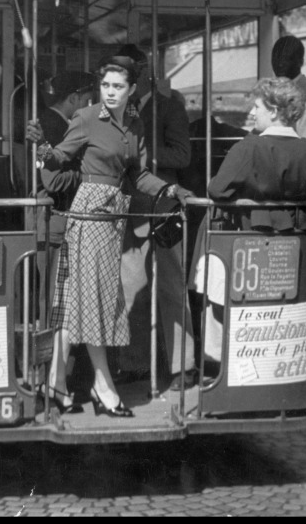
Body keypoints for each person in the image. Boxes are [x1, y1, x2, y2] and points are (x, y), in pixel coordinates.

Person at [26, 56, 194, 418]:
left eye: (118, 86)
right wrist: (41, 149)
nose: (111, 92)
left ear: (132, 88)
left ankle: (55, 383)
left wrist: (170, 189)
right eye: (106, 86)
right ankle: (104, 388)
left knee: (80, 304)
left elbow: (139, 176)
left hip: (113, 217)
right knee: (96, 302)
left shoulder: (134, 126)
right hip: (88, 215)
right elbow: (58, 159)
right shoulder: (86, 118)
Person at [190, 77, 306, 365]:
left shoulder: (248, 148)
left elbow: (218, 189)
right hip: (294, 239)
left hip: (249, 238)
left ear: (274, 111)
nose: (252, 113)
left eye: (258, 107)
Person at [113, 45, 197, 391]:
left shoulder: (170, 108)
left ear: (142, 71)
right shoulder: (116, 110)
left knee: (170, 285)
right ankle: (134, 363)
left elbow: (182, 155)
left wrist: (140, 156)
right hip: (131, 206)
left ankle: (184, 365)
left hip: (162, 207)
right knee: (130, 287)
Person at [33, 70, 95, 407]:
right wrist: (92, 173)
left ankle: (52, 377)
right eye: (86, 101)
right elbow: (53, 183)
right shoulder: (57, 127)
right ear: (74, 99)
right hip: (55, 222)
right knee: (55, 306)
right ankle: (48, 379)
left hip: (54, 223)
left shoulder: (48, 122)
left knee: (55, 305)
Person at [271, 35, 306, 213]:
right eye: (275, 57)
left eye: (286, 58)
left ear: (300, 61)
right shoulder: (274, 90)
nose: (278, 63)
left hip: (305, 195)